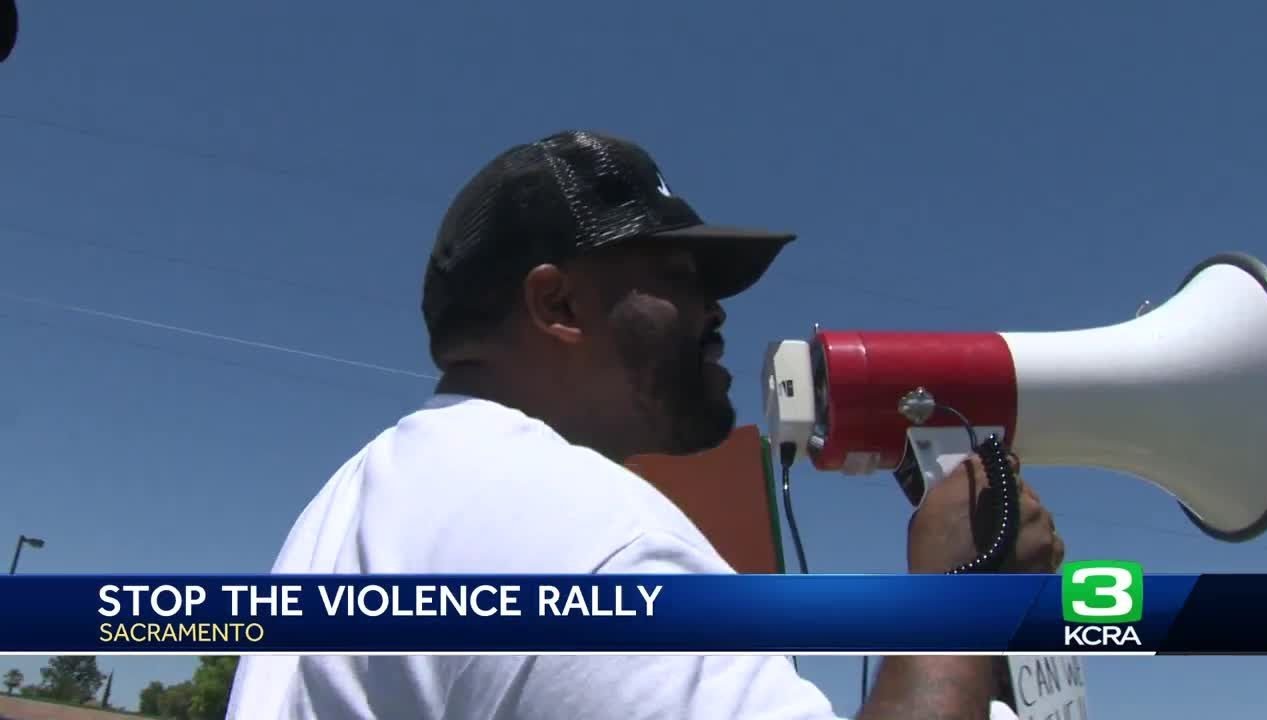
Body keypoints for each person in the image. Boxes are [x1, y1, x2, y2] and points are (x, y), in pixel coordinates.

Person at [226, 129, 1065, 719]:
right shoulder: (579, 534)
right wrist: (965, 593)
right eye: (678, 276)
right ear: (556, 303)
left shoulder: (369, 499)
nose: (716, 311)